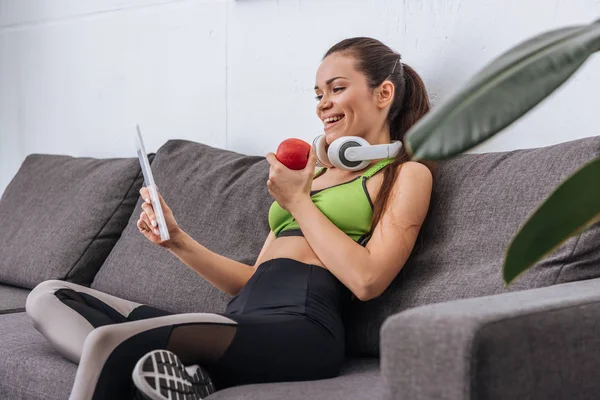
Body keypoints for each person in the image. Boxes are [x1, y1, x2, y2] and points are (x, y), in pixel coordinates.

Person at [25, 37, 434, 400]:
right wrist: (177, 240)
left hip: (302, 331)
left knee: (108, 343)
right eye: (317, 94)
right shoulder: (314, 178)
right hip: (239, 320)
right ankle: (184, 379)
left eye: (337, 89)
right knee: (49, 296)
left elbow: (367, 280)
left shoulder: (404, 175)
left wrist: (298, 202)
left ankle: (159, 372)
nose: (323, 103)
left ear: (383, 94)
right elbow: (251, 278)